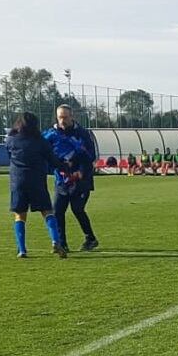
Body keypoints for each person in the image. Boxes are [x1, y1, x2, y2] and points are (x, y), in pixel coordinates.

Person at [6, 113, 63, 258]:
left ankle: (22, 249)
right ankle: (56, 241)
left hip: (18, 181)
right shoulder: (41, 141)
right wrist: (66, 165)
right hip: (37, 180)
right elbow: (53, 160)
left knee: (20, 215)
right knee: (47, 212)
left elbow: (9, 155)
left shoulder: (11, 140)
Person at [48, 105, 101, 252]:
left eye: (65, 117)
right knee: (57, 211)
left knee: (77, 209)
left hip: (80, 179)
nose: (62, 120)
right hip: (61, 180)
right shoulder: (52, 134)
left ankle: (90, 238)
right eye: (60, 117)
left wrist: (81, 171)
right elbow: (46, 152)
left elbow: (90, 156)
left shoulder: (82, 134)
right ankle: (61, 244)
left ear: (72, 117)